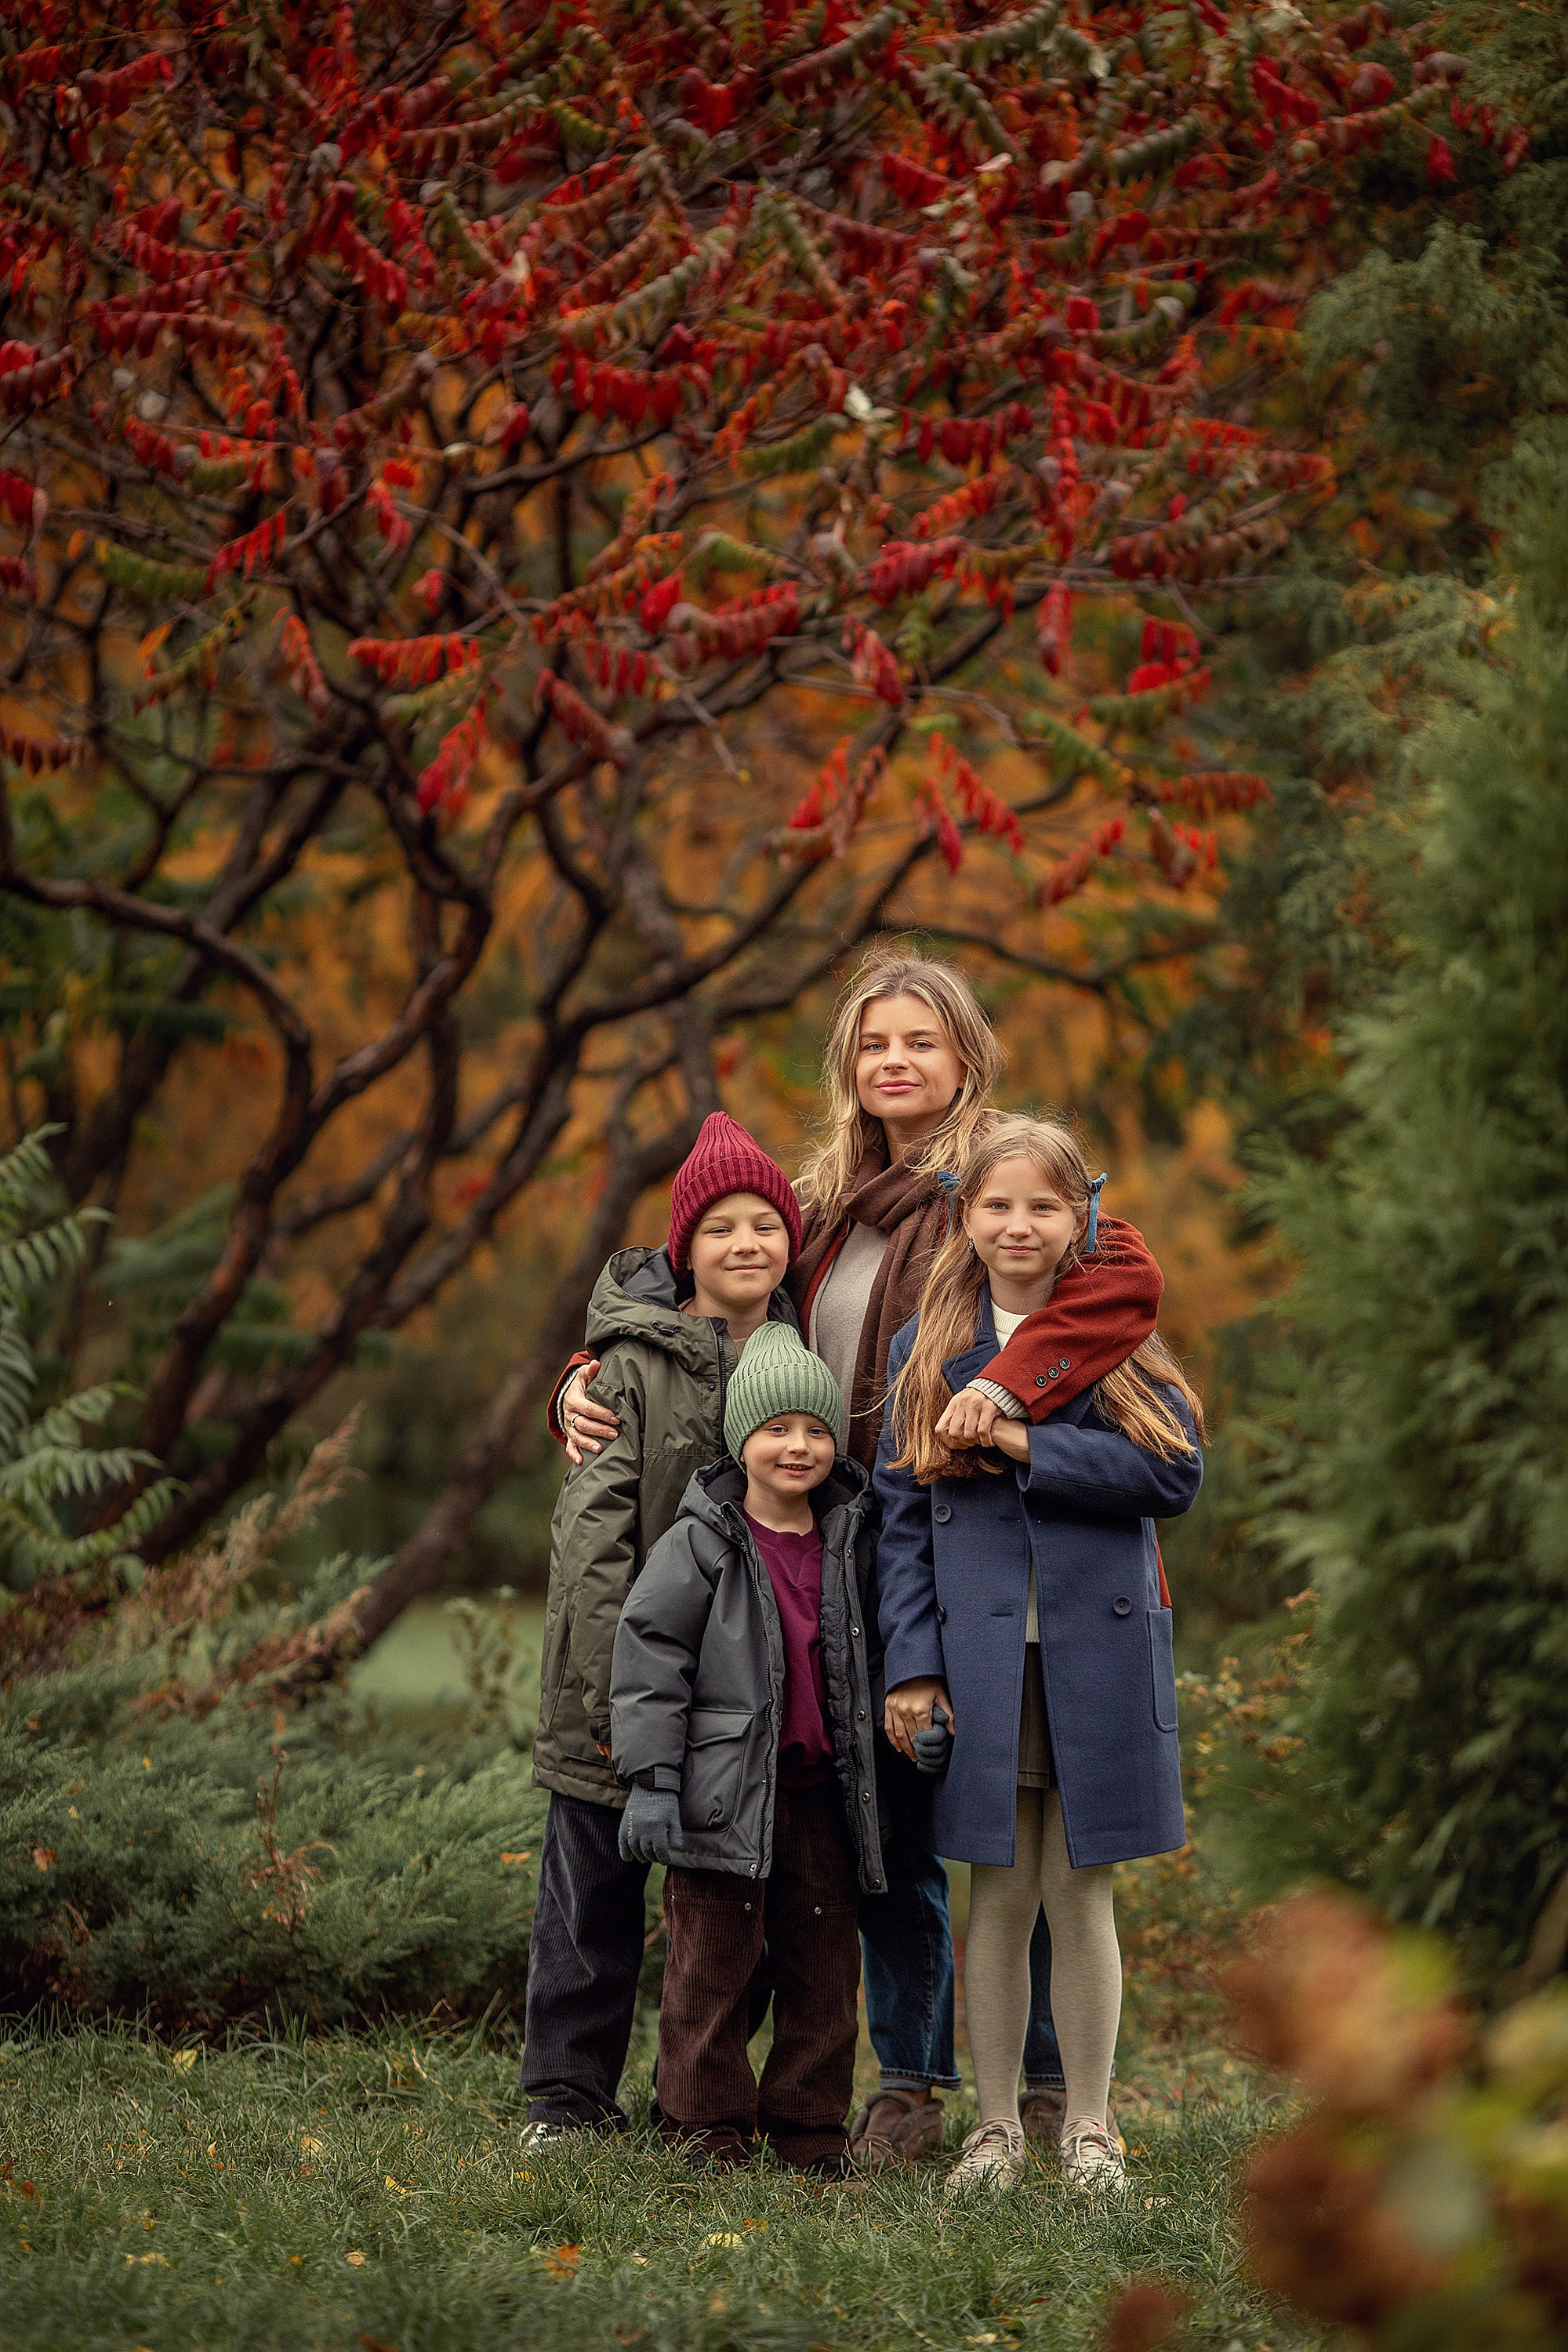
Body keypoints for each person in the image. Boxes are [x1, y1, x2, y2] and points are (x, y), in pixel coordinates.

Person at [551, 948, 1165, 2163]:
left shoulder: (1008, 1184)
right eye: (875, 1043)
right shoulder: (822, 1201)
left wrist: (992, 1398)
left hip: (974, 1539)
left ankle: (1043, 2082)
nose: (897, 1061)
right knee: (884, 1820)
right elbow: (698, 1291)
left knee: (1011, 1798)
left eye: (921, 1041)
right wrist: (583, 1377)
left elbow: (1127, 1282)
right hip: (836, 1538)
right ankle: (912, 2080)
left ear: (967, 1056)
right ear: (849, 1065)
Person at [875, 1116, 1204, 2196]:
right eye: (998, 1206)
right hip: (982, 1666)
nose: (1019, 1225)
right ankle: (997, 2128)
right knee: (998, 1893)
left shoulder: (1115, 1340)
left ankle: (1094, 2128)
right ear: (965, 1217)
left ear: (1080, 1222)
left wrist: (1020, 1439)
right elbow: (901, 1520)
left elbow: (1170, 1476)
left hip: (1095, 1654)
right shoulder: (926, 1341)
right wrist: (913, 1664)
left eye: (1044, 1207)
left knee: (1082, 1890)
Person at [521, 1110, 805, 2146]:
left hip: (740, 1697)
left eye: (765, 1226)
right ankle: (566, 2099)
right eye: (721, 1227)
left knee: (733, 1914)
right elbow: (593, 1547)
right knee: (591, 1900)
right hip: (613, 1683)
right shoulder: (627, 1368)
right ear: (684, 1247)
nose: (745, 1245)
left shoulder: (794, 1354)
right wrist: (607, 1703)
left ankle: (696, 2097)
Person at [611, 1324, 883, 2174]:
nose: (796, 1447)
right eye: (774, 1429)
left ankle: (807, 2130)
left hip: (822, 1799)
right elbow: (649, 1657)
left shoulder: (850, 1537)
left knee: (823, 1976)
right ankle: (702, 2124)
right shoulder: (701, 1541)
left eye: (813, 1429)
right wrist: (653, 1780)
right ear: (741, 1439)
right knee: (710, 1970)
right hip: (721, 1794)